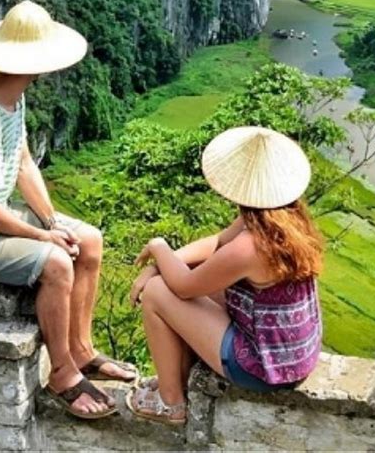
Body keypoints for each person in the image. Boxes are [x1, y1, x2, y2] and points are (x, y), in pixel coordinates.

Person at [0, 0, 137, 420]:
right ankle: (61, 373)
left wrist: (54, 221)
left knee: (88, 239)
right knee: (56, 263)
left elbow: (23, 164)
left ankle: (82, 349)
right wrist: (43, 237)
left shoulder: (8, 96)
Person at [127, 126, 323, 426]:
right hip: (293, 355)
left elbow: (183, 287)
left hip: (262, 367)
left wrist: (159, 248)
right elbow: (218, 243)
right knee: (185, 275)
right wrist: (165, 263)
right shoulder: (286, 221)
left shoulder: (251, 246)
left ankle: (171, 403)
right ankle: (178, 377)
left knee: (156, 292)